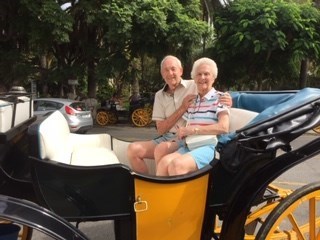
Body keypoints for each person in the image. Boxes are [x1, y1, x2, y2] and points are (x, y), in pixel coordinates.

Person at [127, 55, 232, 174]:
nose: (170, 73)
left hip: (200, 141)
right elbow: (161, 129)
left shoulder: (199, 87)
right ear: (162, 74)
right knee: (148, 154)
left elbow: (223, 124)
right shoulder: (185, 98)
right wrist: (183, 109)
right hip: (182, 139)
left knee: (173, 162)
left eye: (173, 69)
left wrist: (229, 98)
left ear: (181, 71)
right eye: (166, 70)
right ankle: (153, 189)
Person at [156, 57, 230, 176]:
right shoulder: (192, 100)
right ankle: (159, 194)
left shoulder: (220, 98)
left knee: (177, 165)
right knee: (163, 163)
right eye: (199, 74)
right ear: (194, 78)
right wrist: (182, 133)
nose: (202, 77)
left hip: (209, 147)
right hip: (190, 144)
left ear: (214, 77)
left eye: (206, 74)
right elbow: (185, 125)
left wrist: (193, 130)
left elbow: (224, 127)